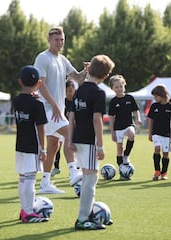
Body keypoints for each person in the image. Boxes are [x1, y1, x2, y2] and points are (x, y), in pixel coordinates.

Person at [34, 26, 88, 194]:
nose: (60, 42)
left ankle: (45, 183)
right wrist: (55, 104)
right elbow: (40, 84)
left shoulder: (63, 60)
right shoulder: (43, 58)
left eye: (62, 40)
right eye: (56, 39)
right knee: (71, 134)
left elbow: (77, 78)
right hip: (47, 109)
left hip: (57, 109)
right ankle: (73, 171)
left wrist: (86, 71)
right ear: (49, 40)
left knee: (53, 146)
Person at [68, 54, 115, 230]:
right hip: (88, 141)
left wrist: (70, 140)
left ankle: (88, 214)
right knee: (91, 180)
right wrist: (101, 146)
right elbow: (97, 119)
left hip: (79, 139)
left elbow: (71, 115)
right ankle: (82, 219)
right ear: (106, 75)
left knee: (89, 178)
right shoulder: (98, 92)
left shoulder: (79, 89)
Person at [13, 65, 49, 223]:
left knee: (22, 178)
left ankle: (24, 209)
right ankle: (28, 212)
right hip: (32, 146)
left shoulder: (16, 100)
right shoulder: (37, 104)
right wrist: (43, 149)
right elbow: (40, 128)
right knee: (31, 179)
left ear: (20, 81)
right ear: (39, 84)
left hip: (20, 145)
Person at [108, 75, 142, 180]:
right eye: (116, 87)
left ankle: (126, 156)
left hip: (128, 125)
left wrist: (138, 119)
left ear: (124, 86)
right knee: (119, 149)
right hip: (118, 128)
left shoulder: (129, 98)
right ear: (112, 89)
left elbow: (136, 110)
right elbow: (111, 118)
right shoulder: (113, 102)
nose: (119, 88)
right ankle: (122, 171)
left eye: (121, 86)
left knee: (132, 135)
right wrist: (112, 132)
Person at [147, 85, 171, 181]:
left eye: (156, 96)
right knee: (157, 148)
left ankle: (164, 173)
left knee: (165, 154)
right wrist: (150, 133)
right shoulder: (154, 106)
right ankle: (157, 171)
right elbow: (150, 120)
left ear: (162, 95)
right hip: (156, 133)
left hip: (166, 134)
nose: (155, 99)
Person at [51, 79, 76, 177]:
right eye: (67, 91)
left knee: (73, 148)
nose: (69, 93)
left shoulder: (76, 100)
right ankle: (56, 167)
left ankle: (74, 168)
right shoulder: (62, 101)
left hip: (73, 129)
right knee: (57, 146)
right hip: (62, 126)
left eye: (71, 91)